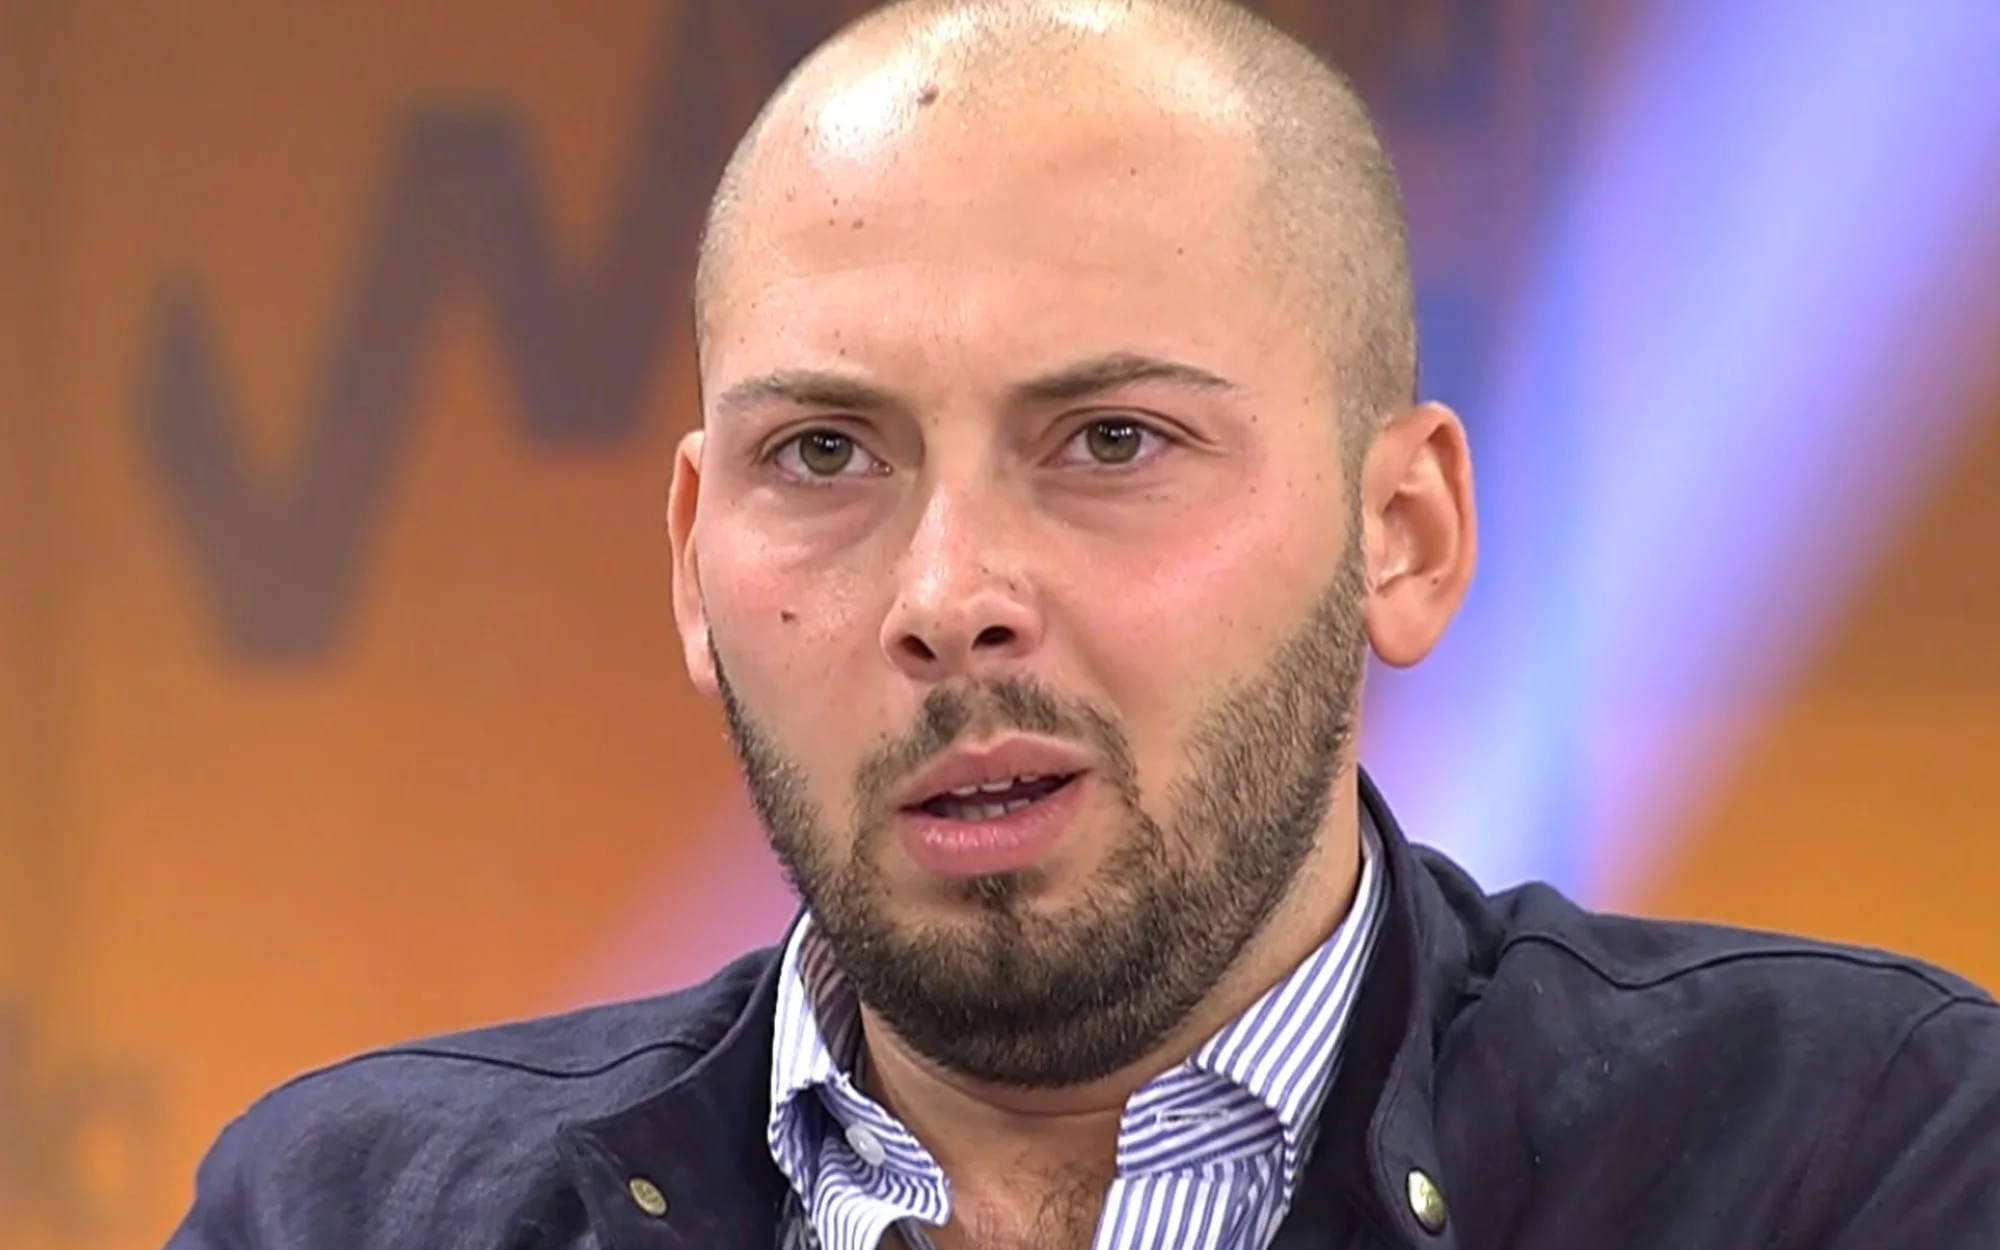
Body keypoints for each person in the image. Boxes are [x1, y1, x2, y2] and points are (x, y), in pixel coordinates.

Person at [167, 0, 2000, 1247]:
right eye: (825, 452)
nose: (949, 598)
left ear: (1405, 534)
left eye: (1112, 440)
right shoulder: (348, 1210)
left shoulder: (1854, 1149)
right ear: (693, 563)